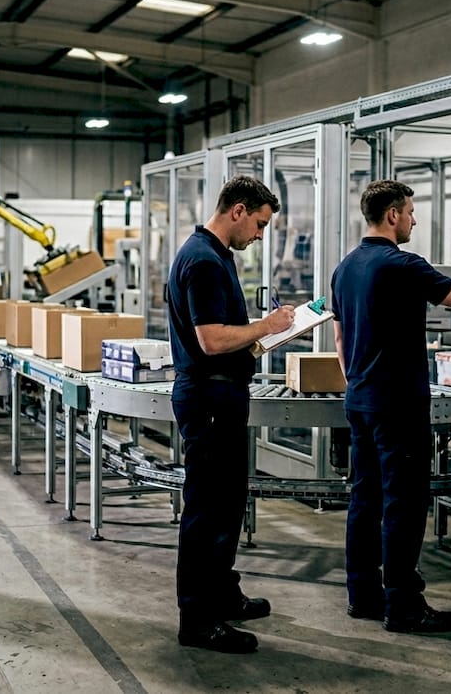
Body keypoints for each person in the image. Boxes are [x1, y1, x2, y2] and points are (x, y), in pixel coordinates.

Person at [330, 180, 451, 634]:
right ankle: (405, 606)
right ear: (392, 215)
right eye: (411, 212)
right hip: (398, 406)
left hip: (360, 401)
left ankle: (363, 596)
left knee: (365, 499)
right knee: (405, 505)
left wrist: (359, 380)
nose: (414, 219)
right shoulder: (403, 265)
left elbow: (339, 339)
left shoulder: (345, 267)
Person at [167, 176, 296, 654]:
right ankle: (197, 619)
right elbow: (211, 340)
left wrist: (265, 337)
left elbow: (225, 335)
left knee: (227, 503)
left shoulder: (216, 256)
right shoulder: (202, 261)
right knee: (208, 509)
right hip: (209, 399)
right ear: (238, 211)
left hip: (222, 395)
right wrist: (269, 324)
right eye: (260, 224)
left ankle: (220, 593)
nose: (260, 235)